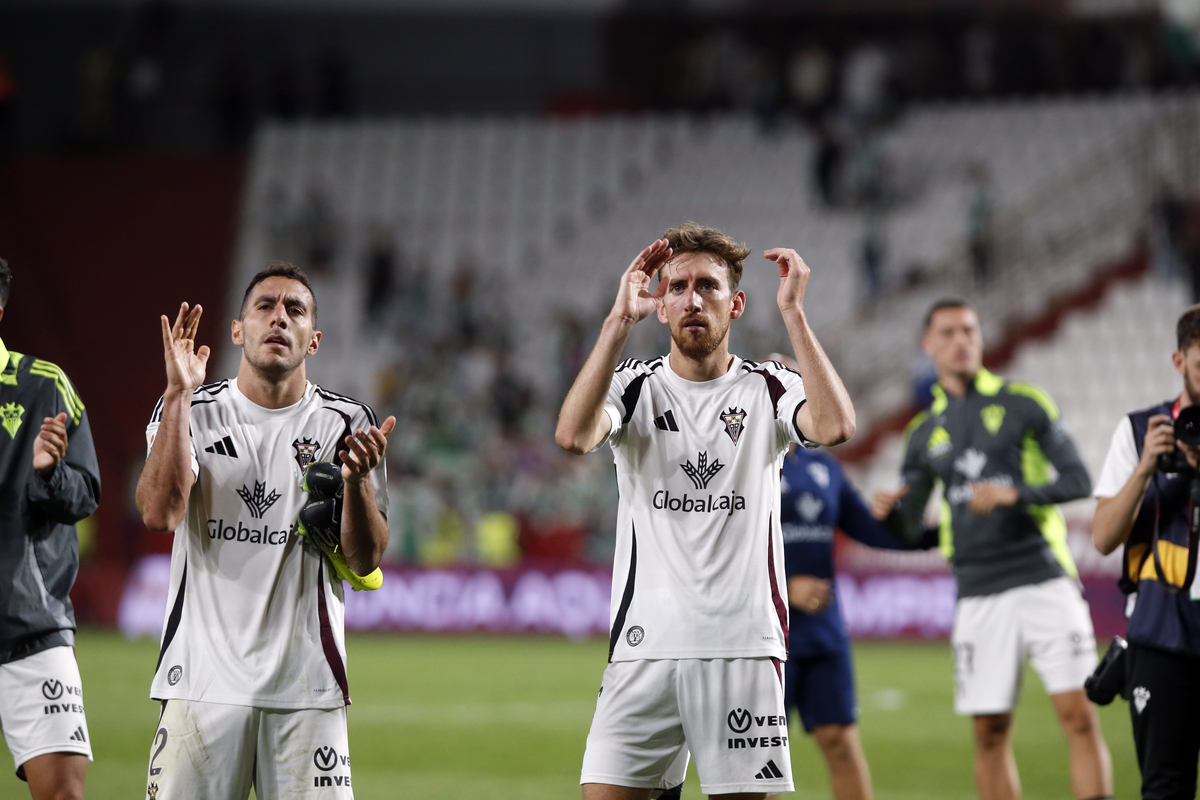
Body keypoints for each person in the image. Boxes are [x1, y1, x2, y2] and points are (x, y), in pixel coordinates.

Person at [555, 222, 856, 800]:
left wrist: (793, 314)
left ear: (736, 303)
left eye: (709, 287)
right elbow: (571, 435)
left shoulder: (768, 387)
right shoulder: (635, 386)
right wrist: (617, 323)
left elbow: (837, 425)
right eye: (678, 287)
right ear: (660, 305)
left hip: (741, 648)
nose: (693, 299)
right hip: (643, 647)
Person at [135, 263, 393, 799]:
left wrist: (359, 483)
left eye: (295, 310)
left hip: (307, 687)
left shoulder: (346, 424)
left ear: (314, 340)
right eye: (265, 306)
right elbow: (160, 514)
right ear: (238, 330)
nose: (279, 318)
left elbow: (365, 560)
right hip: (201, 684)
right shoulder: (192, 409)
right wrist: (179, 395)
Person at [872, 297, 1112, 800]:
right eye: (949, 333)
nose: (961, 341)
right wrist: (889, 514)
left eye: (969, 331)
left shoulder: (1026, 402)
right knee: (989, 733)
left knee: (1080, 717)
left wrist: (1015, 493)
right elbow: (909, 531)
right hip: (978, 591)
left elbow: (1078, 480)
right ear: (929, 344)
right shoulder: (921, 435)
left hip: (1044, 579)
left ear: (980, 339)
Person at [771, 399, 934, 800]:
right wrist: (784, 588)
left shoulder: (824, 466)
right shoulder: (740, 465)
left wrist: (941, 529)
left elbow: (872, 531)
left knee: (841, 743)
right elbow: (720, 547)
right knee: (762, 758)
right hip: (767, 636)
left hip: (824, 633)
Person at [0, 257, 101, 800]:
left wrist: (49, 473)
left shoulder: (43, 386)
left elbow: (85, 494)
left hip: (28, 628)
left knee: (62, 795)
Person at [1091, 304, 1200, 800]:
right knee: (1164, 790)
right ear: (1179, 362)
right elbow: (1104, 537)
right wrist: (1147, 470)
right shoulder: (1139, 431)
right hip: (1162, 634)